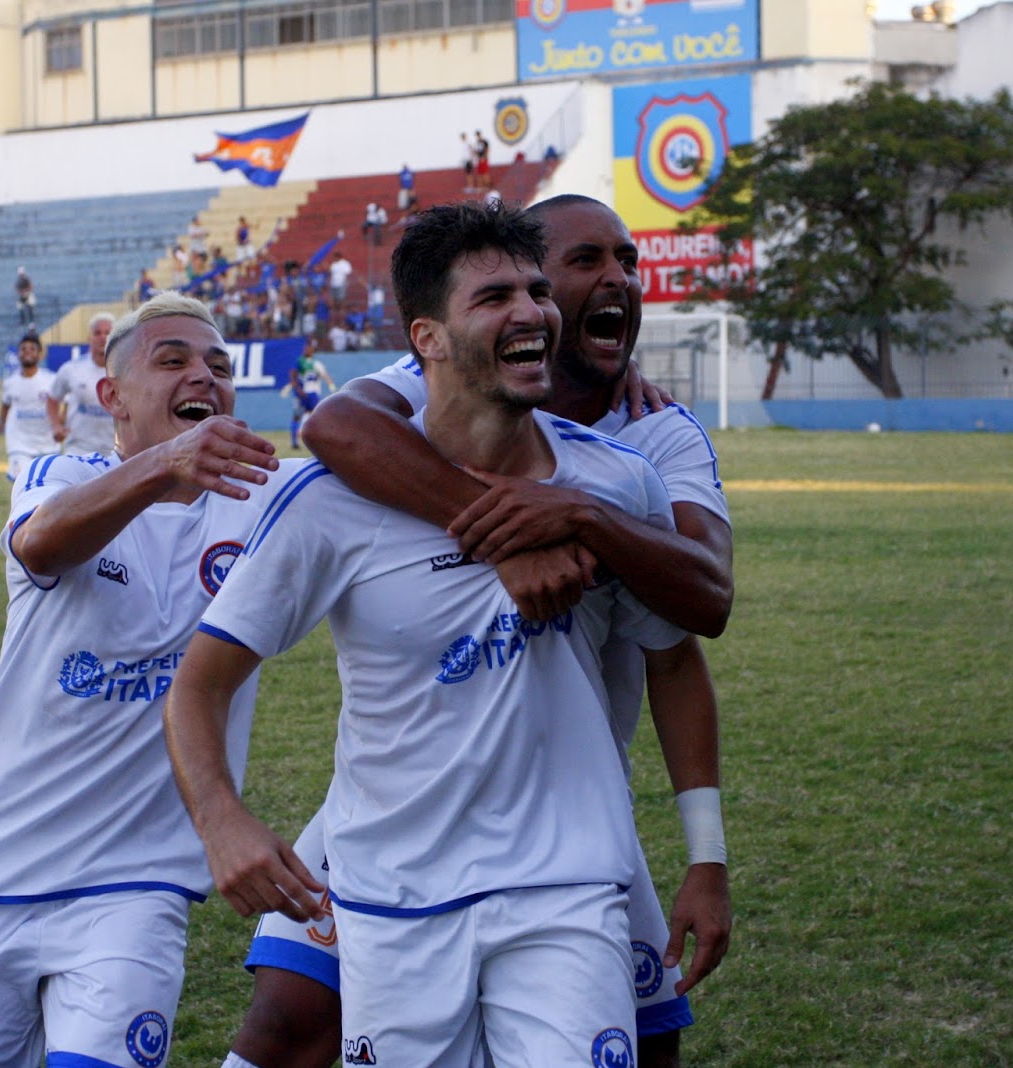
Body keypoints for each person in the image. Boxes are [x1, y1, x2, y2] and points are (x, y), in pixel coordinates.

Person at [165, 201, 710, 1068]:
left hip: (563, 887)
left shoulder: (619, 479)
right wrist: (221, 819)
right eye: (495, 297)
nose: (531, 312)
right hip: (394, 901)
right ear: (426, 338)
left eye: (537, 290)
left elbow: (679, 652)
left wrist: (706, 856)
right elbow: (200, 680)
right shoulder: (330, 502)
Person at [0, 292, 287, 1068]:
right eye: (171, 361)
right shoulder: (61, 473)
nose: (201, 376)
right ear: (111, 396)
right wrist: (164, 466)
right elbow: (42, 544)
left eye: (217, 364)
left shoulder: (267, 499)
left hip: (134, 888)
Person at [47, 311, 117, 457]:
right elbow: (52, 398)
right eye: (97, 333)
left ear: (116, 337)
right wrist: (56, 426)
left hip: (115, 452)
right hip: (78, 449)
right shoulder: (71, 369)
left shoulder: (126, 370)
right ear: (89, 338)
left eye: (107, 332)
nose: (102, 337)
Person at [0, 331, 57, 482]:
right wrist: (0, 424)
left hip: (47, 444)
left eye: (32, 349)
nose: (27, 352)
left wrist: (60, 424)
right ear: (18, 354)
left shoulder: (51, 380)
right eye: (23, 349)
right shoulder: (10, 382)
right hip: (19, 444)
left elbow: (63, 402)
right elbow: (5, 406)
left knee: (47, 487)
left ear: (40, 354)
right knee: (23, 484)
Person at [281, 339, 335, 451]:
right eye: (305, 348)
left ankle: (312, 438)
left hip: (313, 393)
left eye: (309, 348)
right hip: (302, 393)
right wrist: (292, 387)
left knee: (314, 415)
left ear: (312, 350)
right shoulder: (300, 361)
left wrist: (330, 384)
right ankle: (294, 441)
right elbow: (293, 375)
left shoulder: (316, 363)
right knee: (298, 415)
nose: (307, 350)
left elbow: (324, 375)